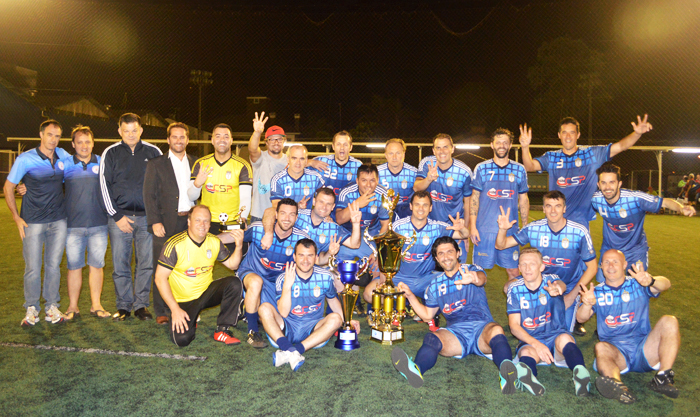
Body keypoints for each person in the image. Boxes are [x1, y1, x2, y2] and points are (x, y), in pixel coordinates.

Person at [390, 237, 520, 393]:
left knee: (497, 330)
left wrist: (473, 278)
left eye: (450, 251)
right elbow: (427, 316)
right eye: (441, 254)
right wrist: (410, 296)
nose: (446, 257)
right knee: (432, 338)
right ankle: (416, 370)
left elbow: (481, 279)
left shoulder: (470, 268)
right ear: (437, 259)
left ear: (458, 253)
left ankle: (507, 375)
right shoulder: (435, 285)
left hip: (482, 329)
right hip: (457, 335)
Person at [577, 250, 680, 403]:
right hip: (617, 355)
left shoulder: (638, 283)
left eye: (615, 262)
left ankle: (662, 377)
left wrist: (651, 280)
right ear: (601, 267)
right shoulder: (596, 292)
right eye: (606, 262)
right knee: (600, 347)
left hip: (645, 349)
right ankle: (618, 386)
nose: (611, 266)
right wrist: (586, 304)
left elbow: (666, 283)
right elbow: (580, 317)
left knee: (669, 321)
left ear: (624, 265)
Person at [519, 115, 653, 229]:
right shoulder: (551, 157)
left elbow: (621, 146)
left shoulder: (591, 154)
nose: (568, 136)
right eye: (564, 132)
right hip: (555, 219)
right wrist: (525, 148)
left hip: (580, 220)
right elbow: (530, 166)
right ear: (559, 135)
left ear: (578, 135)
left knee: (581, 258)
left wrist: (637, 133)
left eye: (572, 132)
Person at [362, 190, 470, 331]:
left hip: (424, 279)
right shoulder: (397, 227)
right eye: (417, 205)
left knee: (451, 281)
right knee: (369, 294)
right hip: (398, 278)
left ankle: (431, 313)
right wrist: (383, 281)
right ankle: (391, 309)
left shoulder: (437, 227)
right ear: (411, 206)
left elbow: (464, 235)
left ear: (430, 208)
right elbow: (386, 256)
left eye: (425, 205)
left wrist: (463, 229)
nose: (421, 208)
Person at [496, 191, 597, 336]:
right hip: (540, 284)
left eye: (557, 206)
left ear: (564, 208)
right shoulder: (534, 228)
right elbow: (501, 245)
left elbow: (592, 268)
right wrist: (502, 230)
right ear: (543, 209)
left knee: (563, 332)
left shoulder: (579, 232)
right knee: (509, 287)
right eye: (549, 206)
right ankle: (528, 317)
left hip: (568, 286)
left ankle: (569, 314)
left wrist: (571, 295)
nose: (553, 210)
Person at [4, 119, 70, 326]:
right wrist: (16, 216)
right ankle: (32, 308)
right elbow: (8, 187)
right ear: (41, 135)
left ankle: (51, 307)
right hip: (32, 221)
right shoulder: (26, 159)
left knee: (53, 266)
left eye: (57, 136)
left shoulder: (64, 156)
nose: (53, 140)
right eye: (50, 135)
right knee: (32, 267)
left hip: (58, 221)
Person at [258, 239, 360, 371]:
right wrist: (287, 287)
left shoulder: (325, 277)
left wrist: (347, 320)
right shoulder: (283, 278)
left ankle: (293, 350)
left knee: (335, 319)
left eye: (310, 255)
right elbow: (283, 313)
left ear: (316, 257)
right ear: (294, 257)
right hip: (286, 327)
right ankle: (287, 347)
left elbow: (333, 301)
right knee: (264, 308)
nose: (305, 260)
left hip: (313, 329)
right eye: (301, 255)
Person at [100, 113, 163, 321]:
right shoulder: (110, 153)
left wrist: (155, 216)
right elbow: (103, 186)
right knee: (120, 264)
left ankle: (141, 305)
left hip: (146, 218)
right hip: (120, 218)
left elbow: (162, 185)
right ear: (119, 131)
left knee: (145, 263)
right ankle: (124, 305)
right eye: (126, 131)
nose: (130, 135)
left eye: (134, 130)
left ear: (141, 130)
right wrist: (117, 216)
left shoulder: (154, 151)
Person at [154, 205, 245, 347]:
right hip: (181, 302)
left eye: (206, 221)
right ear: (189, 222)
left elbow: (232, 265)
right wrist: (175, 309)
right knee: (182, 340)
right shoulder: (175, 244)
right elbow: (159, 278)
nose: (202, 225)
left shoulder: (214, 242)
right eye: (198, 220)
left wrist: (238, 246)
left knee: (234, 283)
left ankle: (222, 330)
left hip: (205, 295)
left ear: (210, 224)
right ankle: (191, 317)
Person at [506, 248, 592, 397]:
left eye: (532, 264)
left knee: (565, 338)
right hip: (532, 339)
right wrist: (536, 344)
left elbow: (560, 285)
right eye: (523, 264)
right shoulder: (514, 289)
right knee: (526, 352)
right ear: (519, 268)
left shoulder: (551, 280)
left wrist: (558, 289)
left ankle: (581, 375)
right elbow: (514, 326)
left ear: (541, 267)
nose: (527, 268)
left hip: (556, 337)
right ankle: (529, 377)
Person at [232, 198, 311, 348]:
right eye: (283, 213)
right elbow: (232, 236)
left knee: (273, 317)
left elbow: (312, 260)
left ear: (297, 217)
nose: (287, 218)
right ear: (276, 214)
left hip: (277, 283)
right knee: (256, 283)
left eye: (291, 214)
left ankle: (247, 307)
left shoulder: (301, 239)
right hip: (252, 272)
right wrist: (209, 240)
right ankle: (252, 332)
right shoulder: (258, 229)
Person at [592, 163, 695, 273]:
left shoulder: (635, 199)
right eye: (604, 183)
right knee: (604, 286)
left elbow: (664, 202)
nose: (607, 187)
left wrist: (681, 208)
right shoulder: (595, 199)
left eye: (612, 182)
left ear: (619, 183)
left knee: (638, 284)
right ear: (598, 185)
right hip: (610, 249)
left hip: (635, 250)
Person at [144, 122, 197, 325]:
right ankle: (162, 310)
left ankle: (186, 308)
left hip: (189, 223)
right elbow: (148, 196)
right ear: (168, 140)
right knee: (162, 266)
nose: (178, 140)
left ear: (187, 140)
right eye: (174, 137)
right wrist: (155, 222)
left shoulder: (196, 163)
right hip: (165, 222)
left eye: (182, 137)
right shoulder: (156, 164)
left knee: (187, 267)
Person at [60, 125, 110, 320]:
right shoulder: (64, 165)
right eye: (79, 142)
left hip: (99, 223)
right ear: (73, 144)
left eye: (87, 142)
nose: (84, 146)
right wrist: (25, 187)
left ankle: (96, 305)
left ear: (93, 143)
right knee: (74, 266)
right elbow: (47, 182)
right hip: (73, 225)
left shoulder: (102, 162)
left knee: (97, 265)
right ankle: (73, 306)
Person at [470, 128, 529, 281]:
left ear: (510, 146)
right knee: (478, 273)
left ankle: (513, 302)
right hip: (484, 231)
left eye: (505, 143)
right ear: (492, 145)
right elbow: (474, 199)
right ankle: (478, 305)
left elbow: (523, 199)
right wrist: (473, 226)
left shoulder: (519, 169)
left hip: (510, 230)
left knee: (514, 272)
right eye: (498, 142)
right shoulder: (481, 168)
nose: (501, 145)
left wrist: (526, 225)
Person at [414, 133, 472, 261]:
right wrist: (428, 179)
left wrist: (464, 233)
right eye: (438, 148)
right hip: (430, 227)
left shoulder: (464, 172)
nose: (442, 151)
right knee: (429, 268)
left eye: (445, 147)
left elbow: (468, 203)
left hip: (454, 227)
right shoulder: (427, 164)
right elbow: (416, 188)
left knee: (455, 268)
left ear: (452, 149)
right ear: (433, 150)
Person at [188, 123, 252, 235]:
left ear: (231, 140)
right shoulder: (201, 164)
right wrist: (197, 184)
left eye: (226, 137)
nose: (222, 140)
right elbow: (191, 196)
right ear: (212, 140)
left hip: (232, 222)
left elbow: (245, 197)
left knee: (232, 252)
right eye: (218, 136)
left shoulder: (242, 165)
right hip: (207, 222)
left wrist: (242, 218)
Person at [248, 114, 288, 223]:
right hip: (259, 215)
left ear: (284, 141)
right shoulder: (260, 158)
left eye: (279, 139)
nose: (276, 142)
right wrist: (257, 132)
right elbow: (252, 149)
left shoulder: (291, 161)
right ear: (266, 142)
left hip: (283, 217)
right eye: (272, 139)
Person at [270, 145, 325, 209]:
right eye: (294, 158)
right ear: (288, 159)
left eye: (302, 159)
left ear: (306, 160)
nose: (298, 163)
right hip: (286, 218)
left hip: (307, 218)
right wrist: (296, 206)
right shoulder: (278, 179)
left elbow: (325, 198)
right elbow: (276, 206)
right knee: (269, 212)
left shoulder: (315, 177)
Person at [311, 130, 362, 195]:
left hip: (348, 204)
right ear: (333, 146)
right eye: (338, 144)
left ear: (351, 147)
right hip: (325, 204)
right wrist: (310, 162)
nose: (342, 148)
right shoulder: (321, 161)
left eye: (345, 144)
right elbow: (298, 166)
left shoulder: (357, 166)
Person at [377, 138, 417, 220]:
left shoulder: (414, 173)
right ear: (386, 155)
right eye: (391, 153)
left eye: (398, 153)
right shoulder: (377, 173)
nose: (394, 157)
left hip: (407, 214)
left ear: (403, 154)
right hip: (384, 213)